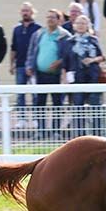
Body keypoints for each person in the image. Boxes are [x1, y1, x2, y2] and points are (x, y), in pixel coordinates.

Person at [26, 9, 71, 139]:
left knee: (57, 104)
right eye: (48, 17)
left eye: (53, 17)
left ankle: (56, 132)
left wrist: (60, 62)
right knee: (39, 104)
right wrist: (30, 66)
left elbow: (68, 55)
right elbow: (31, 52)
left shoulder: (64, 35)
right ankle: (40, 131)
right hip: (40, 74)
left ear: (59, 19)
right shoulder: (39, 34)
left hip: (57, 75)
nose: (50, 20)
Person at [63, 15, 104, 137]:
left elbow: (102, 57)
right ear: (74, 25)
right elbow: (65, 63)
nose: (80, 25)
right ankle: (80, 137)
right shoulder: (69, 42)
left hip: (92, 78)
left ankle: (97, 136)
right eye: (78, 23)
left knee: (95, 108)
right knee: (78, 109)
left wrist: (92, 60)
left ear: (87, 26)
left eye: (83, 23)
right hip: (77, 79)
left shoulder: (93, 40)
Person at [10, 2, 41, 128]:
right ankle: (21, 119)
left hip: (33, 67)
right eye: (23, 10)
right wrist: (11, 64)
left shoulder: (38, 29)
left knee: (35, 94)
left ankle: (35, 118)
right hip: (20, 65)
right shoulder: (16, 29)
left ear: (32, 12)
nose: (25, 13)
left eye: (27, 10)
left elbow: (39, 48)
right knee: (20, 94)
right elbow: (13, 48)